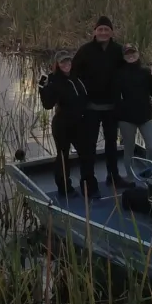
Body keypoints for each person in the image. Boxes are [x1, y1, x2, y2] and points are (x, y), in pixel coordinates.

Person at [71, 16, 128, 189]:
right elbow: (73, 76)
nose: (103, 32)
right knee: (89, 146)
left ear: (112, 33)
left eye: (106, 30)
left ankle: (113, 176)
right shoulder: (85, 51)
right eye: (100, 29)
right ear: (94, 32)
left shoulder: (119, 51)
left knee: (112, 144)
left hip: (112, 107)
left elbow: (129, 73)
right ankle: (88, 181)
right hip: (91, 108)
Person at [37, 50, 92, 196]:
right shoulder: (53, 80)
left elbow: (85, 97)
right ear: (57, 64)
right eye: (62, 62)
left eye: (68, 61)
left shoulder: (77, 77)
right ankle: (64, 188)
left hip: (79, 123)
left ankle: (87, 185)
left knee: (86, 154)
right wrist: (42, 89)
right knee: (63, 156)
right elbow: (48, 105)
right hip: (62, 124)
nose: (66, 64)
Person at [116, 43, 152, 184]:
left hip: (145, 115)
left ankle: (149, 173)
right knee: (129, 147)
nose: (130, 55)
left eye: (132, 52)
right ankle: (129, 177)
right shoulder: (119, 73)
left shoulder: (146, 72)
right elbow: (114, 96)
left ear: (138, 53)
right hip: (126, 118)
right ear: (123, 56)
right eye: (127, 53)